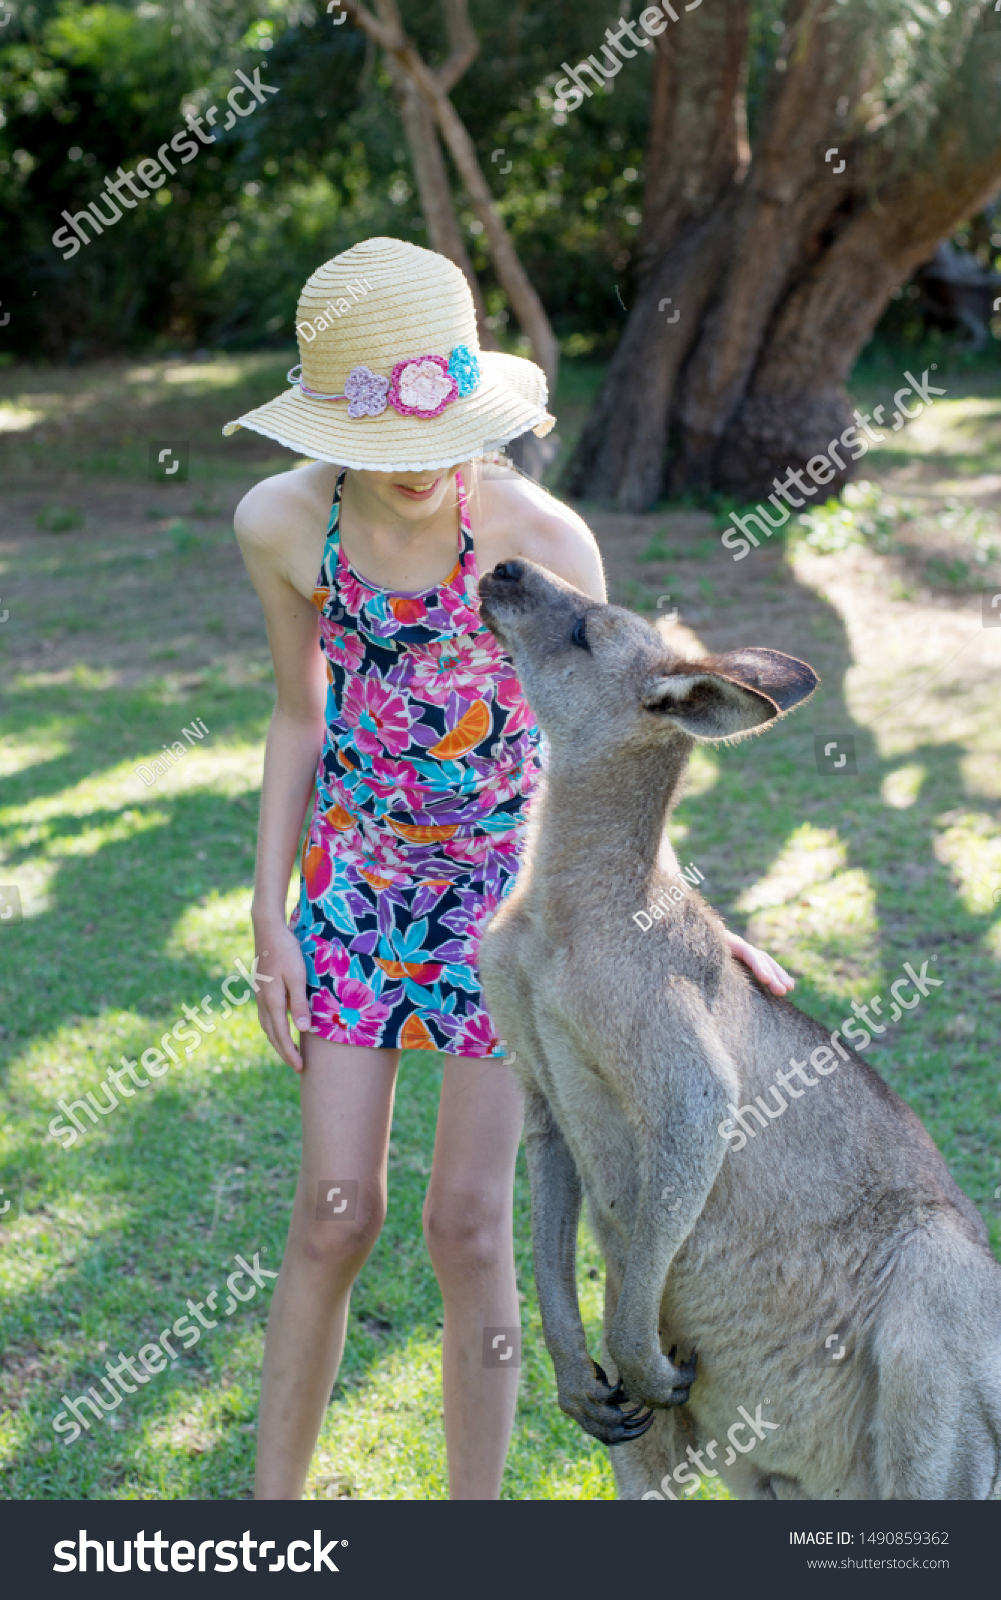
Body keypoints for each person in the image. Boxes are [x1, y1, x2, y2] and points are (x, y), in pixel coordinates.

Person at [226, 237, 795, 1501]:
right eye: (389, 444)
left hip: (508, 914)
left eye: (446, 432)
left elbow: (609, 757)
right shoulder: (282, 524)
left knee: (469, 1226)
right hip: (356, 898)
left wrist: (697, 921)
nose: (426, 465)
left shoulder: (538, 537)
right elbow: (296, 718)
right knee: (332, 1213)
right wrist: (268, 911)